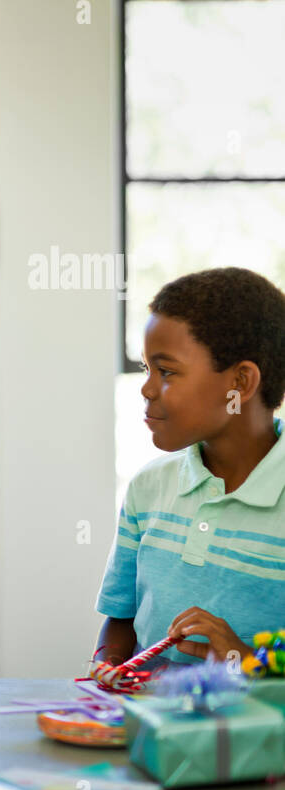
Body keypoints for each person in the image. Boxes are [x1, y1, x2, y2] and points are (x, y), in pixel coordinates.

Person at [95, 267, 285, 670]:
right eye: (147, 370)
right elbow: (121, 620)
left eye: (166, 372)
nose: (146, 389)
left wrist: (244, 660)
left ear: (240, 382)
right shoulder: (148, 488)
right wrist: (106, 667)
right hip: (149, 730)